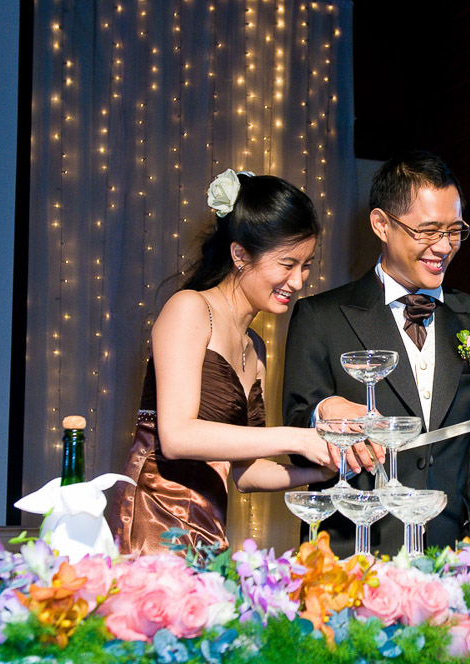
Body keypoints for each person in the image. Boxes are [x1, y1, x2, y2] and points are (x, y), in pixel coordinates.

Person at [108, 169, 359, 556]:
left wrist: (324, 466)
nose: (297, 281)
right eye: (286, 264)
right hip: (154, 521)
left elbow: (246, 473)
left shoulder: (254, 347)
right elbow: (176, 438)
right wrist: (297, 437)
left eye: (306, 265)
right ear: (240, 253)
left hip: (208, 527)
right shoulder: (190, 309)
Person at [282, 150, 470, 557]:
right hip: (352, 556)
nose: (444, 246)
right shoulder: (321, 317)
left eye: (455, 230)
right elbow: (300, 419)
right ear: (382, 225)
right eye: (427, 231)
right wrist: (326, 411)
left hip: (450, 559)